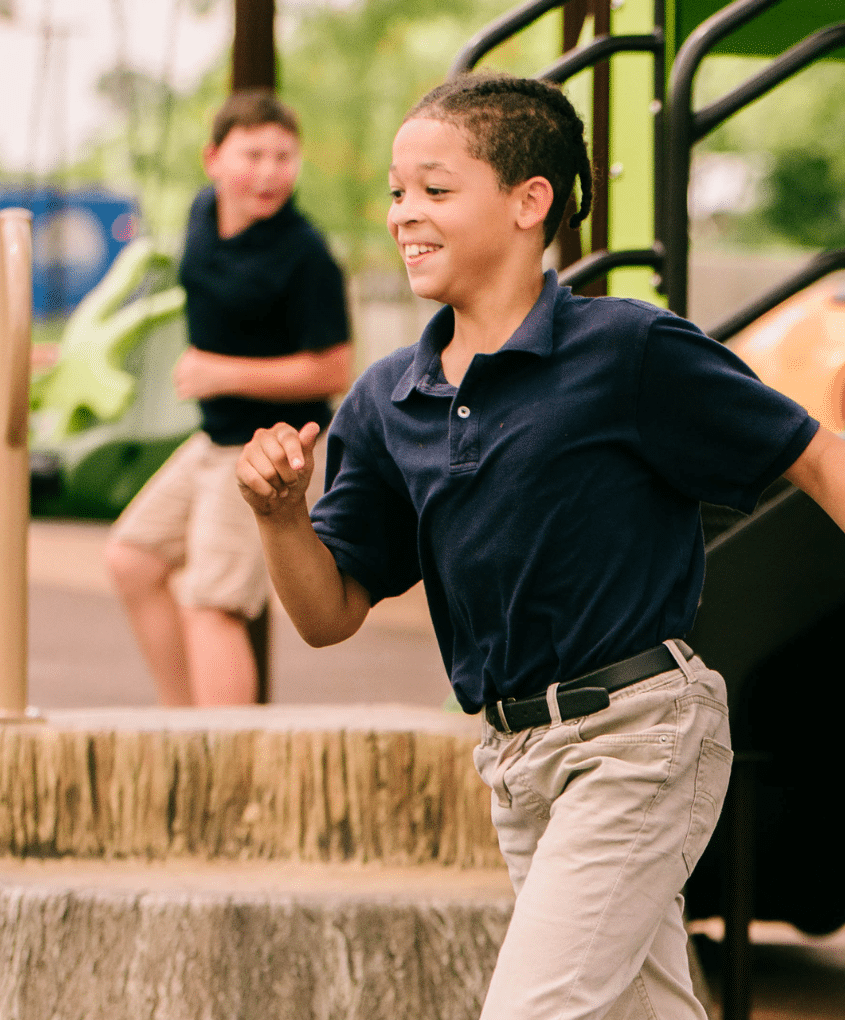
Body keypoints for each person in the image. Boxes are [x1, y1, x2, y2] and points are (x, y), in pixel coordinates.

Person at [236, 72, 845, 1019]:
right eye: (398, 193)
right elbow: (328, 614)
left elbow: (812, 453)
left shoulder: (627, 351)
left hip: (641, 735)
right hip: (517, 763)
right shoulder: (388, 401)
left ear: (531, 203)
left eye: (436, 190)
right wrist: (279, 516)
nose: (405, 214)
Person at [105, 89, 351, 706]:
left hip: (270, 448)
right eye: (254, 154)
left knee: (211, 606)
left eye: (284, 156)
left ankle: (222, 766)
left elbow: (333, 369)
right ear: (213, 158)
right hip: (214, 439)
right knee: (132, 560)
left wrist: (222, 373)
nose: (270, 171)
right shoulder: (201, 213)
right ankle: (185, 727)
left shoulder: (306, 254)